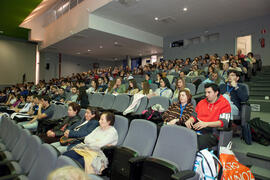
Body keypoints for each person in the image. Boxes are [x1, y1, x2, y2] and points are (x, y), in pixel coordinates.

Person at [185, 83, 231, 150]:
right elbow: (194, 115)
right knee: (181, 137)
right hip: (198, 128)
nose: (206, 95)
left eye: (209, 92)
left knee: (193, 143)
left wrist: (206, 124)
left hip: (213, 132)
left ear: (216, 93)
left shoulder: (224, 104)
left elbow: (224, 122)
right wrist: (190, 120)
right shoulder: (201, 102)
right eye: (206, 92)